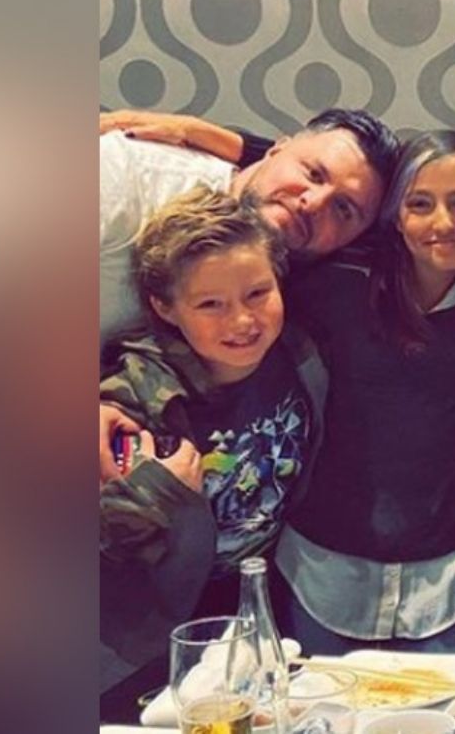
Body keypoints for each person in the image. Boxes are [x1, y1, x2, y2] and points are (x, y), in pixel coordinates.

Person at [270, 130, 455, 654]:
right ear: (394, 214)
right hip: (321, 570)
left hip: (441, 583)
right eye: (420, 204)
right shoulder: (333, 288)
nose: (443, 223)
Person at [99, 187, 326, 679]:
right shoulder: (133, 400)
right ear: (165, 308)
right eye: (210, 304)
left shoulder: (300, 356)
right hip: (146, 642)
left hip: (259, 611)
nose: (242, 320)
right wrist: (158, 489)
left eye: (258, 293)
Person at [99, 108, 398, 348]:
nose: (313, 203)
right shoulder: (122, 174)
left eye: (343, 209)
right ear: (277, 149)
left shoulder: (300, 294)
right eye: (313, 174)